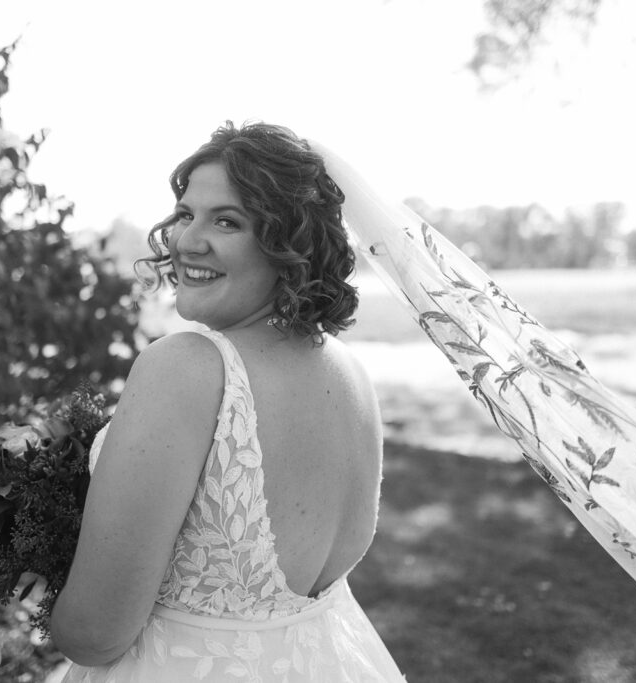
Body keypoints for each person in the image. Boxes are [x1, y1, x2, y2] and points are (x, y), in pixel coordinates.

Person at [51, 121, 406, 681]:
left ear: (288, 244)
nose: (188, 239)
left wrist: (33, 560)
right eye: (187, 213)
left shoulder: (187, 368)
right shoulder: (350, 375)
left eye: (227, 220)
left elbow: (94, 636)